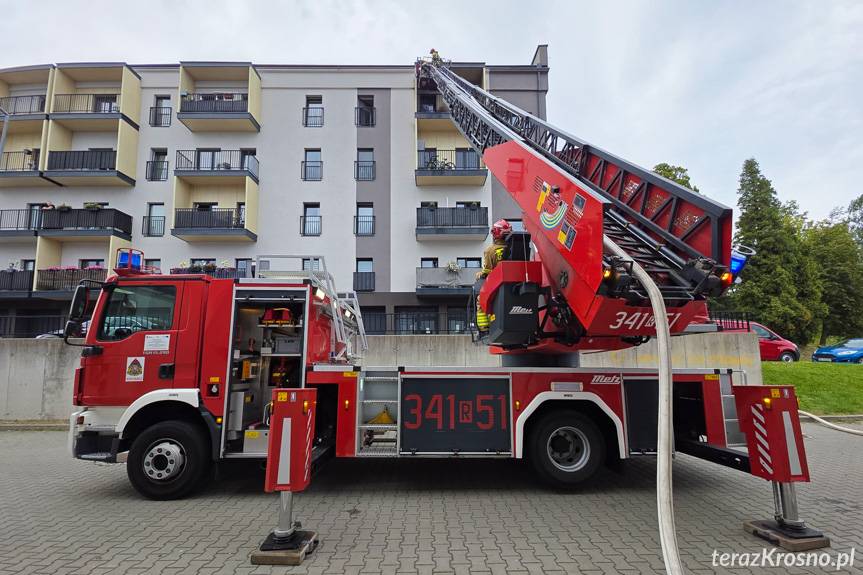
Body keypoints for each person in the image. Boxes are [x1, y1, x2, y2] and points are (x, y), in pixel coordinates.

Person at [475, 219, 512, 333]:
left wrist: (480, 274)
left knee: (481, 301)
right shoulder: (513, 248)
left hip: (497, 285)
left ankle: (484, 329)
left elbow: (488, 270)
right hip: (514, 284)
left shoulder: (490, 251)